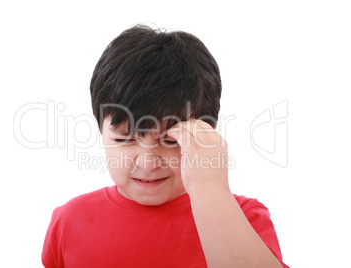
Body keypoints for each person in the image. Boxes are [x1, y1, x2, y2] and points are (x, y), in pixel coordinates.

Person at [42, 24, 289, 268]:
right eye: (124, 139)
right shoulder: (68, 221)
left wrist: (210, 188)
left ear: (207, 136)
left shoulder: (243, 219)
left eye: (170, 141)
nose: (148, 164)